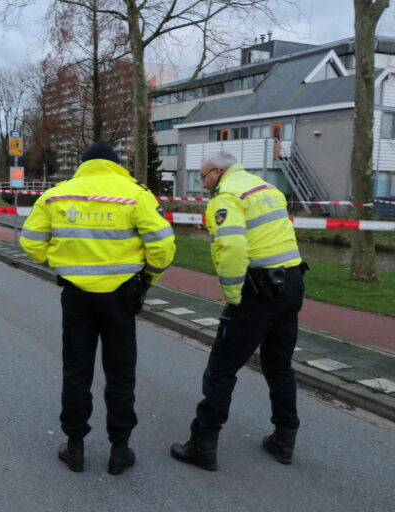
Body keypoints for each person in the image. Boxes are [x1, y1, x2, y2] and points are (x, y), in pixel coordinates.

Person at [21, 141, 176, 475]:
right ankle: (120, 449)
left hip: (76, 296)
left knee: (77, 371)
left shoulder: (56, 195)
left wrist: (59, 263)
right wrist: (147, 276)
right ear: (116, 164)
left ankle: (75, 446)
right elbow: (163, 246)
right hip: (121, 295)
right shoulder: (136, 194)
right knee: (121, 373)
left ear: (83, 164)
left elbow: (30, 242)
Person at [170, 151, 307, 471]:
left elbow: (232, 247)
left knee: (221, 368)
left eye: (202, 177)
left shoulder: (227, 197)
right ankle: (284, 439)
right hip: (291, 283)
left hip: (256, 292)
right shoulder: (266, 189)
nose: (202, 184)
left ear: (217, 172)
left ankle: (203, 445)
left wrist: (233, 295)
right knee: (279, 366)